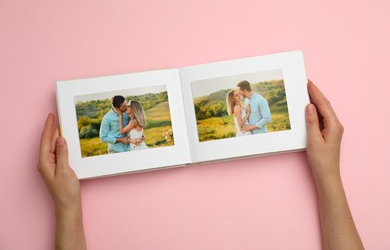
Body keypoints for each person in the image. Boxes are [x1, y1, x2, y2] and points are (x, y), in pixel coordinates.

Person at [38, 80, 364, 250]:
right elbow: (113, 137)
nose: (238, 99)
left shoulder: (249, 104)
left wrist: (68, 210)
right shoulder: (112, 121)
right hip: (121, 152)